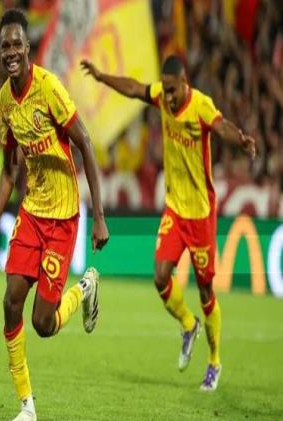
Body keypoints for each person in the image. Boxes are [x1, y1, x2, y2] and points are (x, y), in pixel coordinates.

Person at [81, 55, 256, 392]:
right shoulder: (162, 95)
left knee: (205, 290)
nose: (169, 97)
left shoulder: (200, 105)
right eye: (166, 90)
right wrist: (102, 77)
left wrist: (242, 139)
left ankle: (214, 361)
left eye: (173, 90)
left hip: (200, 214)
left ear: (185, 83)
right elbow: (135, 88)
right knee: (160, 276)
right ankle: (188, 325)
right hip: (175, 210)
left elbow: (221, 127)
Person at [0, 9, 109, 421]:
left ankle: (85, 288)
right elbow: (8, 170)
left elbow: (85, 143)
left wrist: (99, 217)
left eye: (16, 44)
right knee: (10, 301)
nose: (10, 52)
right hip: (32, 211)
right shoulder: (4, 101)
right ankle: (27, 406)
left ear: (28, 46)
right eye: (5, 46)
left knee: (43, 324)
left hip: (63, 218)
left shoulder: (50, 88)